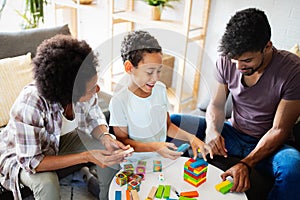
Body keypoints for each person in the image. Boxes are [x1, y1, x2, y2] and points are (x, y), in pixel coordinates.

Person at [171, 8, 300, 200]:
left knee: (293, 167)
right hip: (232, 133)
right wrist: (213, 131)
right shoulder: (226, 60)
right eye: (235, 60)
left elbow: (279, 130)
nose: (239, 68)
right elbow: (215, 105)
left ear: (267, 46)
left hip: (270, 145)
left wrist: (247, 163)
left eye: (247, 60)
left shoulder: (293, 71)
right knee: (173, 122)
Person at [0, 34, 131, 200]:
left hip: (56, 144)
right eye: (91, 88)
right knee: (47, 183)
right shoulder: (30, 103)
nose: (97, 90)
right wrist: (86, 156)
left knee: (108, 148)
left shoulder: (83, 89)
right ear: (69, 92)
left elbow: (94, 117)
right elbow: (32, 162)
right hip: (22, 155)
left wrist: (106, 137)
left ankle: (106, 196)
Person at [108, 30, 212, 161]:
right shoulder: (119, 101)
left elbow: (167, 126)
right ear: (129, 68)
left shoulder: (160, 89)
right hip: (136, 164)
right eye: (150, 72)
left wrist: (191, 138)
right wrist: (155, 147)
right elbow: (123, 142)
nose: (155, 78)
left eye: (159, 71)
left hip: (162, 157)